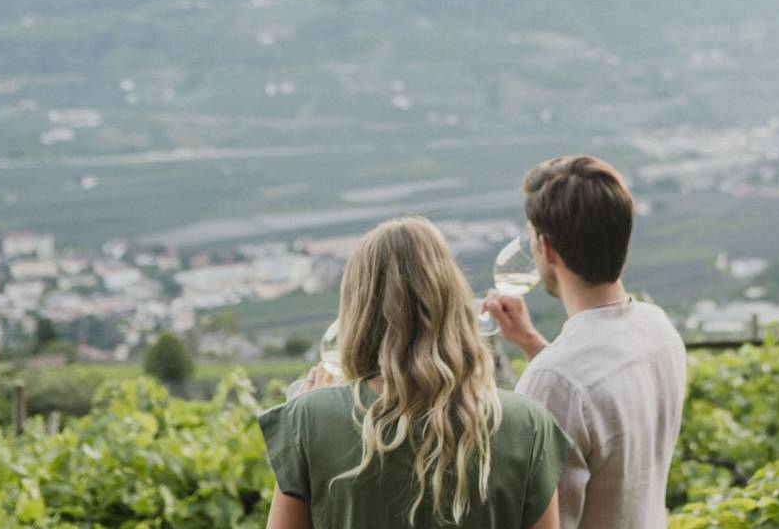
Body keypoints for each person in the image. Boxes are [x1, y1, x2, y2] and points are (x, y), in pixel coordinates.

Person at [259, 217, 571, 529]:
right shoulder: (529, 426)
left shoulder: (308, 420)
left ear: (358, 311)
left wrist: (306, 419)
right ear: (453, 298)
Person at [483, 155, 687, 529]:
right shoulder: (658, 329)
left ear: (546, 248)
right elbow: (595, 391)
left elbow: (535, 519)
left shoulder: (553, 381)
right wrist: (530, 341)